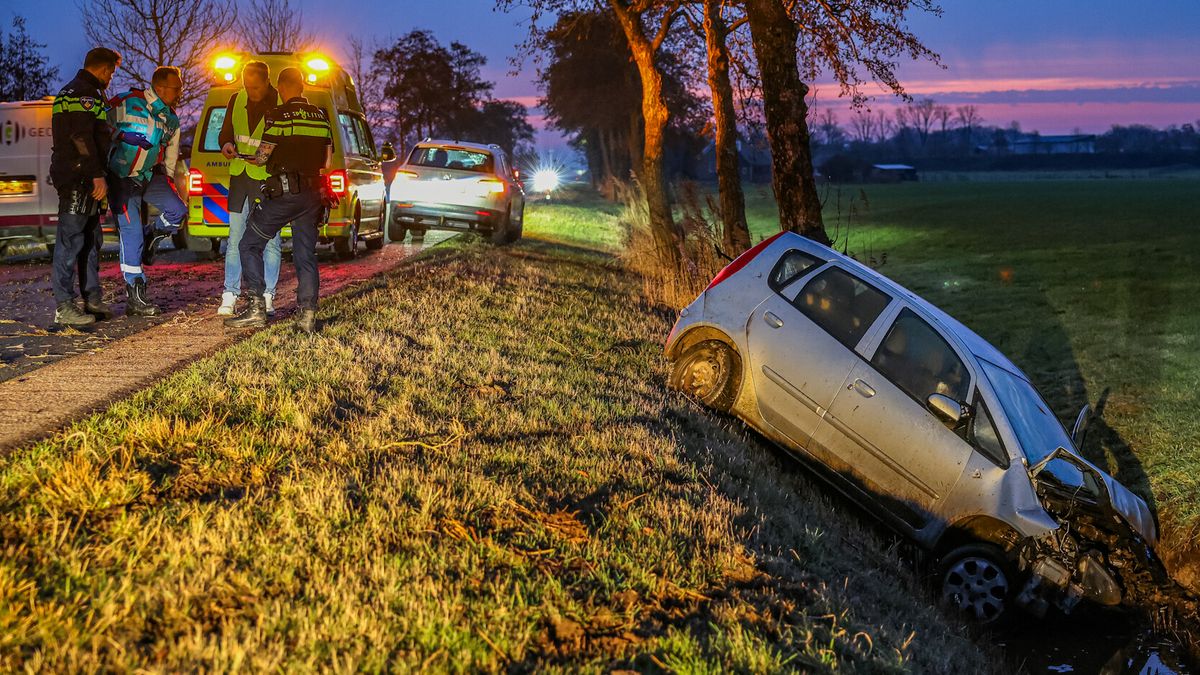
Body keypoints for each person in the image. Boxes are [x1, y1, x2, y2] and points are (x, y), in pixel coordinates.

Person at [224, 67, 334, 334]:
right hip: (312, 195)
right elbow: (327, 162)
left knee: (248, 244)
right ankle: (307, 315)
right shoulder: (321, 117)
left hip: (285, 194)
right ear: (303, 86)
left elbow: (262, 156)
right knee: (305, 255)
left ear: (281, 88)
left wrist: (250, 158)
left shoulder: (279, 115)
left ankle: (255, 309)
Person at [106, 66, 187, 316]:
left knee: (177, 211)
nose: (180, 93)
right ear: (160, 88)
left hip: (150, 176)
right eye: (177, 88)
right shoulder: (127, 102)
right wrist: (122, 134)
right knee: (131, 235)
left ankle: (152, 234)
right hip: (121, 179)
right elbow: (100, 126)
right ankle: (136, 295)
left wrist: (170, 179)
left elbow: (171, 152)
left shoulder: (171, 118)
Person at [48, 47, 120, 326]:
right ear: (102, 69)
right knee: (71, 241)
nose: (111, 77)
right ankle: (65, 306)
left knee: (91, 240)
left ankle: (91, 298)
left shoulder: (79, 92)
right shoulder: (83, 94)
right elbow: (80, 137)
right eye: (111, 72)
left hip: (83, 176)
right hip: (79, 178)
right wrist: (96, 175)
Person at [216, 60, 283, 316]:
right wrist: (226, 145)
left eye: (255, 87)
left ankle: (267, 296)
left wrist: (267, 159)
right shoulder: (236, 99)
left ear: (267, 82)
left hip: (267, 179)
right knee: (234, 239)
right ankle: (230, 294)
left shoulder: (279, 102)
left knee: (271, 242)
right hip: (240, 178)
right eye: (247, 86)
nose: (251, 92)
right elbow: (225, 133)